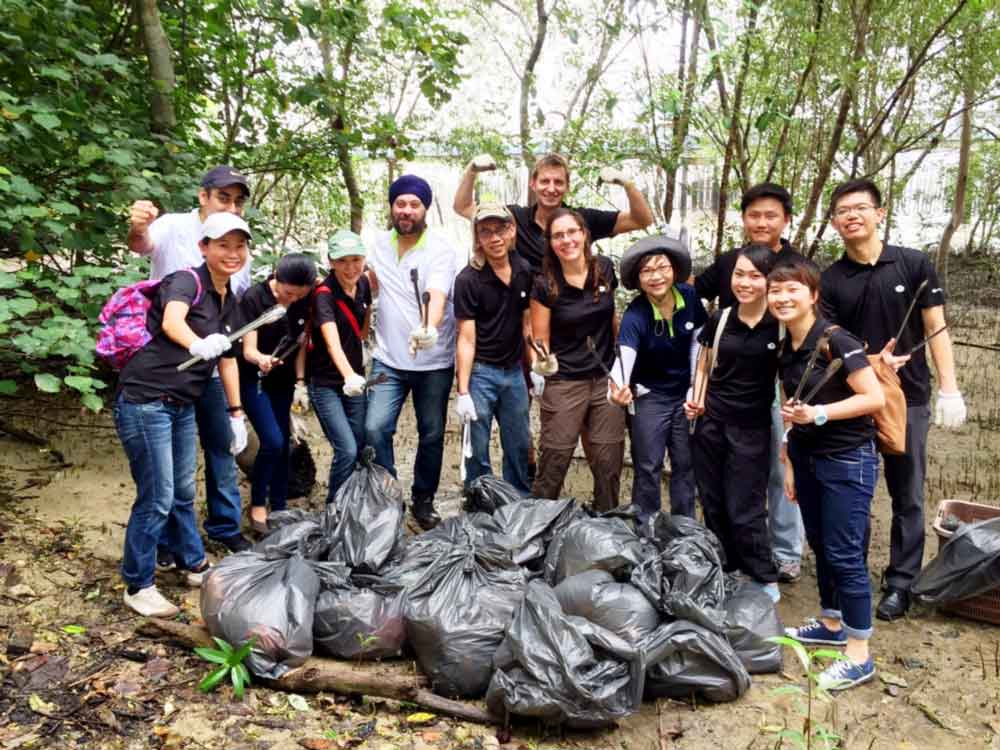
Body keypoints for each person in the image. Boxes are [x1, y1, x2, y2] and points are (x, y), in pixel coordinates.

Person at [820, 178, 967, 620]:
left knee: (907, 492)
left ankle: (901, 583)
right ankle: (853, 577)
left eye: (860, 207)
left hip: (910, 397)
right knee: (856, 490)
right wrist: (868, 360)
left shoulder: (912, 264)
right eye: (842, 211)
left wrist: (950, 388)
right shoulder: (830, 279)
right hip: (857, 398)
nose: (852, 216)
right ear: (834, 222)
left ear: (879, 213)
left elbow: (936, 326)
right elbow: (826, 342)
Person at [115, 212, 251, 617]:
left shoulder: (230, 299)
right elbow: (173, 321)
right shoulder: (185, 281)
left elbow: (227, 359)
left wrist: (235, 413)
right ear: (204, 248)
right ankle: (137, 584)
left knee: (182, 492)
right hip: (145, 399)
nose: (232, 253)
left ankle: (191, 561)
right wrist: (196, 344)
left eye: (239, 245)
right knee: (157, 496)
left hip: (180, 404)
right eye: (222, 245)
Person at [771, 257, 885, 691]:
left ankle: (859, 654)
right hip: (807, 457)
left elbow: (873, 397)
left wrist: (819, 413)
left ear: (813, 295)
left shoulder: (838, 340)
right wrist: (789, 461)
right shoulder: (787, 347)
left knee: (845, 553)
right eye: (775, 291)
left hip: (847, 459)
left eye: (792, 290)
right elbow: (790, 408)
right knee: (820, 544)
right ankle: (831, 625)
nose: (782, 298)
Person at [127, 165, 254, 555]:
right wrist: (137, 225)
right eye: (223, 197)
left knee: (219, 446)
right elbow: (141, 245)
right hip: (164, 368)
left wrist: (236, 413)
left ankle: (222, 526)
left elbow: (234, 315)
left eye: (237, 201)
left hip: (209, 366)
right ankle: (162, 548)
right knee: (165, 481)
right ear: (203, 196)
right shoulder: (175, 233)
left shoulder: (239, 252)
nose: (230, 206)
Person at [694, 182, 805, 583]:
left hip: (766, 405)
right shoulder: (723, 307)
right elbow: (704, 355)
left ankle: (775, 560)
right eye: (754, 215)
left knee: (767, 483)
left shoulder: (794, 274)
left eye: (770, 215)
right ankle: (724, 562)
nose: (745, 282)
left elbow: (806, 344)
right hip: (718, 410)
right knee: (718, 493)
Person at [684, 245, 783, 602]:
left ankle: (763, 575)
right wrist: (696, 397)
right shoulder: (721, 318)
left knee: (746, 505)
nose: (745, 282)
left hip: (752, 427)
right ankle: (726, 567)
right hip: (711, 422)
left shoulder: (781, 323)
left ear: (771, 280)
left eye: (755, 276)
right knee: (712, 500)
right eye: (739, 274)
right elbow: (703, 363)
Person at [365, 175, 457, 530]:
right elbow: (365, 284)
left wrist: (430, 327)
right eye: (400, 203)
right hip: (388, 357)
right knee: (374, 427)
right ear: (392, 206)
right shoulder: (378, 246)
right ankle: (388, 496)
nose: (406, 210)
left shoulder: (441, 249)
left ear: (425, 208)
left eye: (413, 204)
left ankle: (423, 499)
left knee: (431, 432)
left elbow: (436, 293)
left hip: (434, 360)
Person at [530, 208, 624, 511]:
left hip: (604, 377)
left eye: (572, 232)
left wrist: (622, 365)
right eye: (558, 235)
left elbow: (612, 318)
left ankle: (608, 526)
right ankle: (538, 526)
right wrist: (540, 369)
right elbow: (540, 338)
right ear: (551, 243)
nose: (566, 240)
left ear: (584, 234)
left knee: (607, 459)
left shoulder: (605, 269)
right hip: (565, 380)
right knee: (555, 456)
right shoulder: (545, 284)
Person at [610, 232, 707, 522]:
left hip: (684, 394)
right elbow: (623, 359)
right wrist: (616, 389)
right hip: (650, 396)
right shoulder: (636, 315)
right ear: (638, 279)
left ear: (674, 270)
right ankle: (646, 530)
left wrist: (695, 388)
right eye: (647, 270)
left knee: (685, 464)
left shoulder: (689, 297)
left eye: (662, 267)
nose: (656, 276)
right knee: (648, 465)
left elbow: (698, 344)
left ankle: (684, 530)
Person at [453, 152, 654, 274]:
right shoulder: (515, 218)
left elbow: (642, 220)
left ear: (567, 186)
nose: (551, 188)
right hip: (527, 309)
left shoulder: (582, 219)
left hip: (570, 309)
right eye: (545, 181)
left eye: (558, 182)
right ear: (533, 184)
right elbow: (463, 207)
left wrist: (627, 184)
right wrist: (472, 170)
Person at [453, 204, 533, 494]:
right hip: (481, 373)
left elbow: (527, 324)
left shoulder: (523, 269)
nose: (494, 238)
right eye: (485, 231)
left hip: (513, 372)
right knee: (477, 442)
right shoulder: (468, 280)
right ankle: (478, 500)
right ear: (477, 237)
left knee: (518, 440)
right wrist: (463, 391)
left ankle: (519, 500)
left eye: (500, 229)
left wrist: (536, 366)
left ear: (511, 231)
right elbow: (465, 338)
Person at [239, 254, 316, 531]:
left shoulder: (303, 301)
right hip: (254, 377)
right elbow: (248, 349)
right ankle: (258, 502)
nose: (291, 300)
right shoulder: (254, 299)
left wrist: (299, 383)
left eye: (299, 295)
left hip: (283, 381)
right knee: (271, 441)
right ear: (275, 278)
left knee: (283, 443)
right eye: (287, 293)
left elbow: (299, 342)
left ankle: (280, 505)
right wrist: (261, 359)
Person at [298, 231, 372, 505]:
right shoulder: (324, 295)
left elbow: (364, 322)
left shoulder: (363, 283)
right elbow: (332, 344)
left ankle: (355, 501)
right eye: (343, 261)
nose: (351, 267)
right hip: (328, 383)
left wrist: (364, 352)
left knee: (362, 441)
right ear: (331, 262)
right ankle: (335, 506)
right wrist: (348, 375)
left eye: (356, 260)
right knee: (347, 448)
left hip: (357, 380)